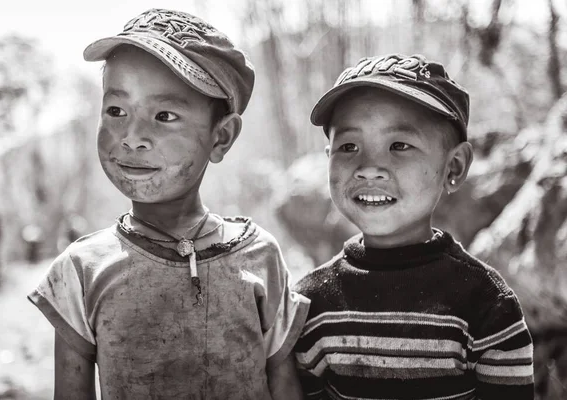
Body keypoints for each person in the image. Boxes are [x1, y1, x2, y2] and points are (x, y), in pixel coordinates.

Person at [28, 9, 309, 399]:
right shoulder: (80, 271)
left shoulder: (260, 255)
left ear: (221, 137)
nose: (132, 137)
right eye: (116, 111)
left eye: (164, 115)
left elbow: (284, 384)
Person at [293, 54, 534, 399]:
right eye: (348, 146)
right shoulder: (312, 302)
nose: (369, 168)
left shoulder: (486, 304)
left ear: (454, 167)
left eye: (399, 145)